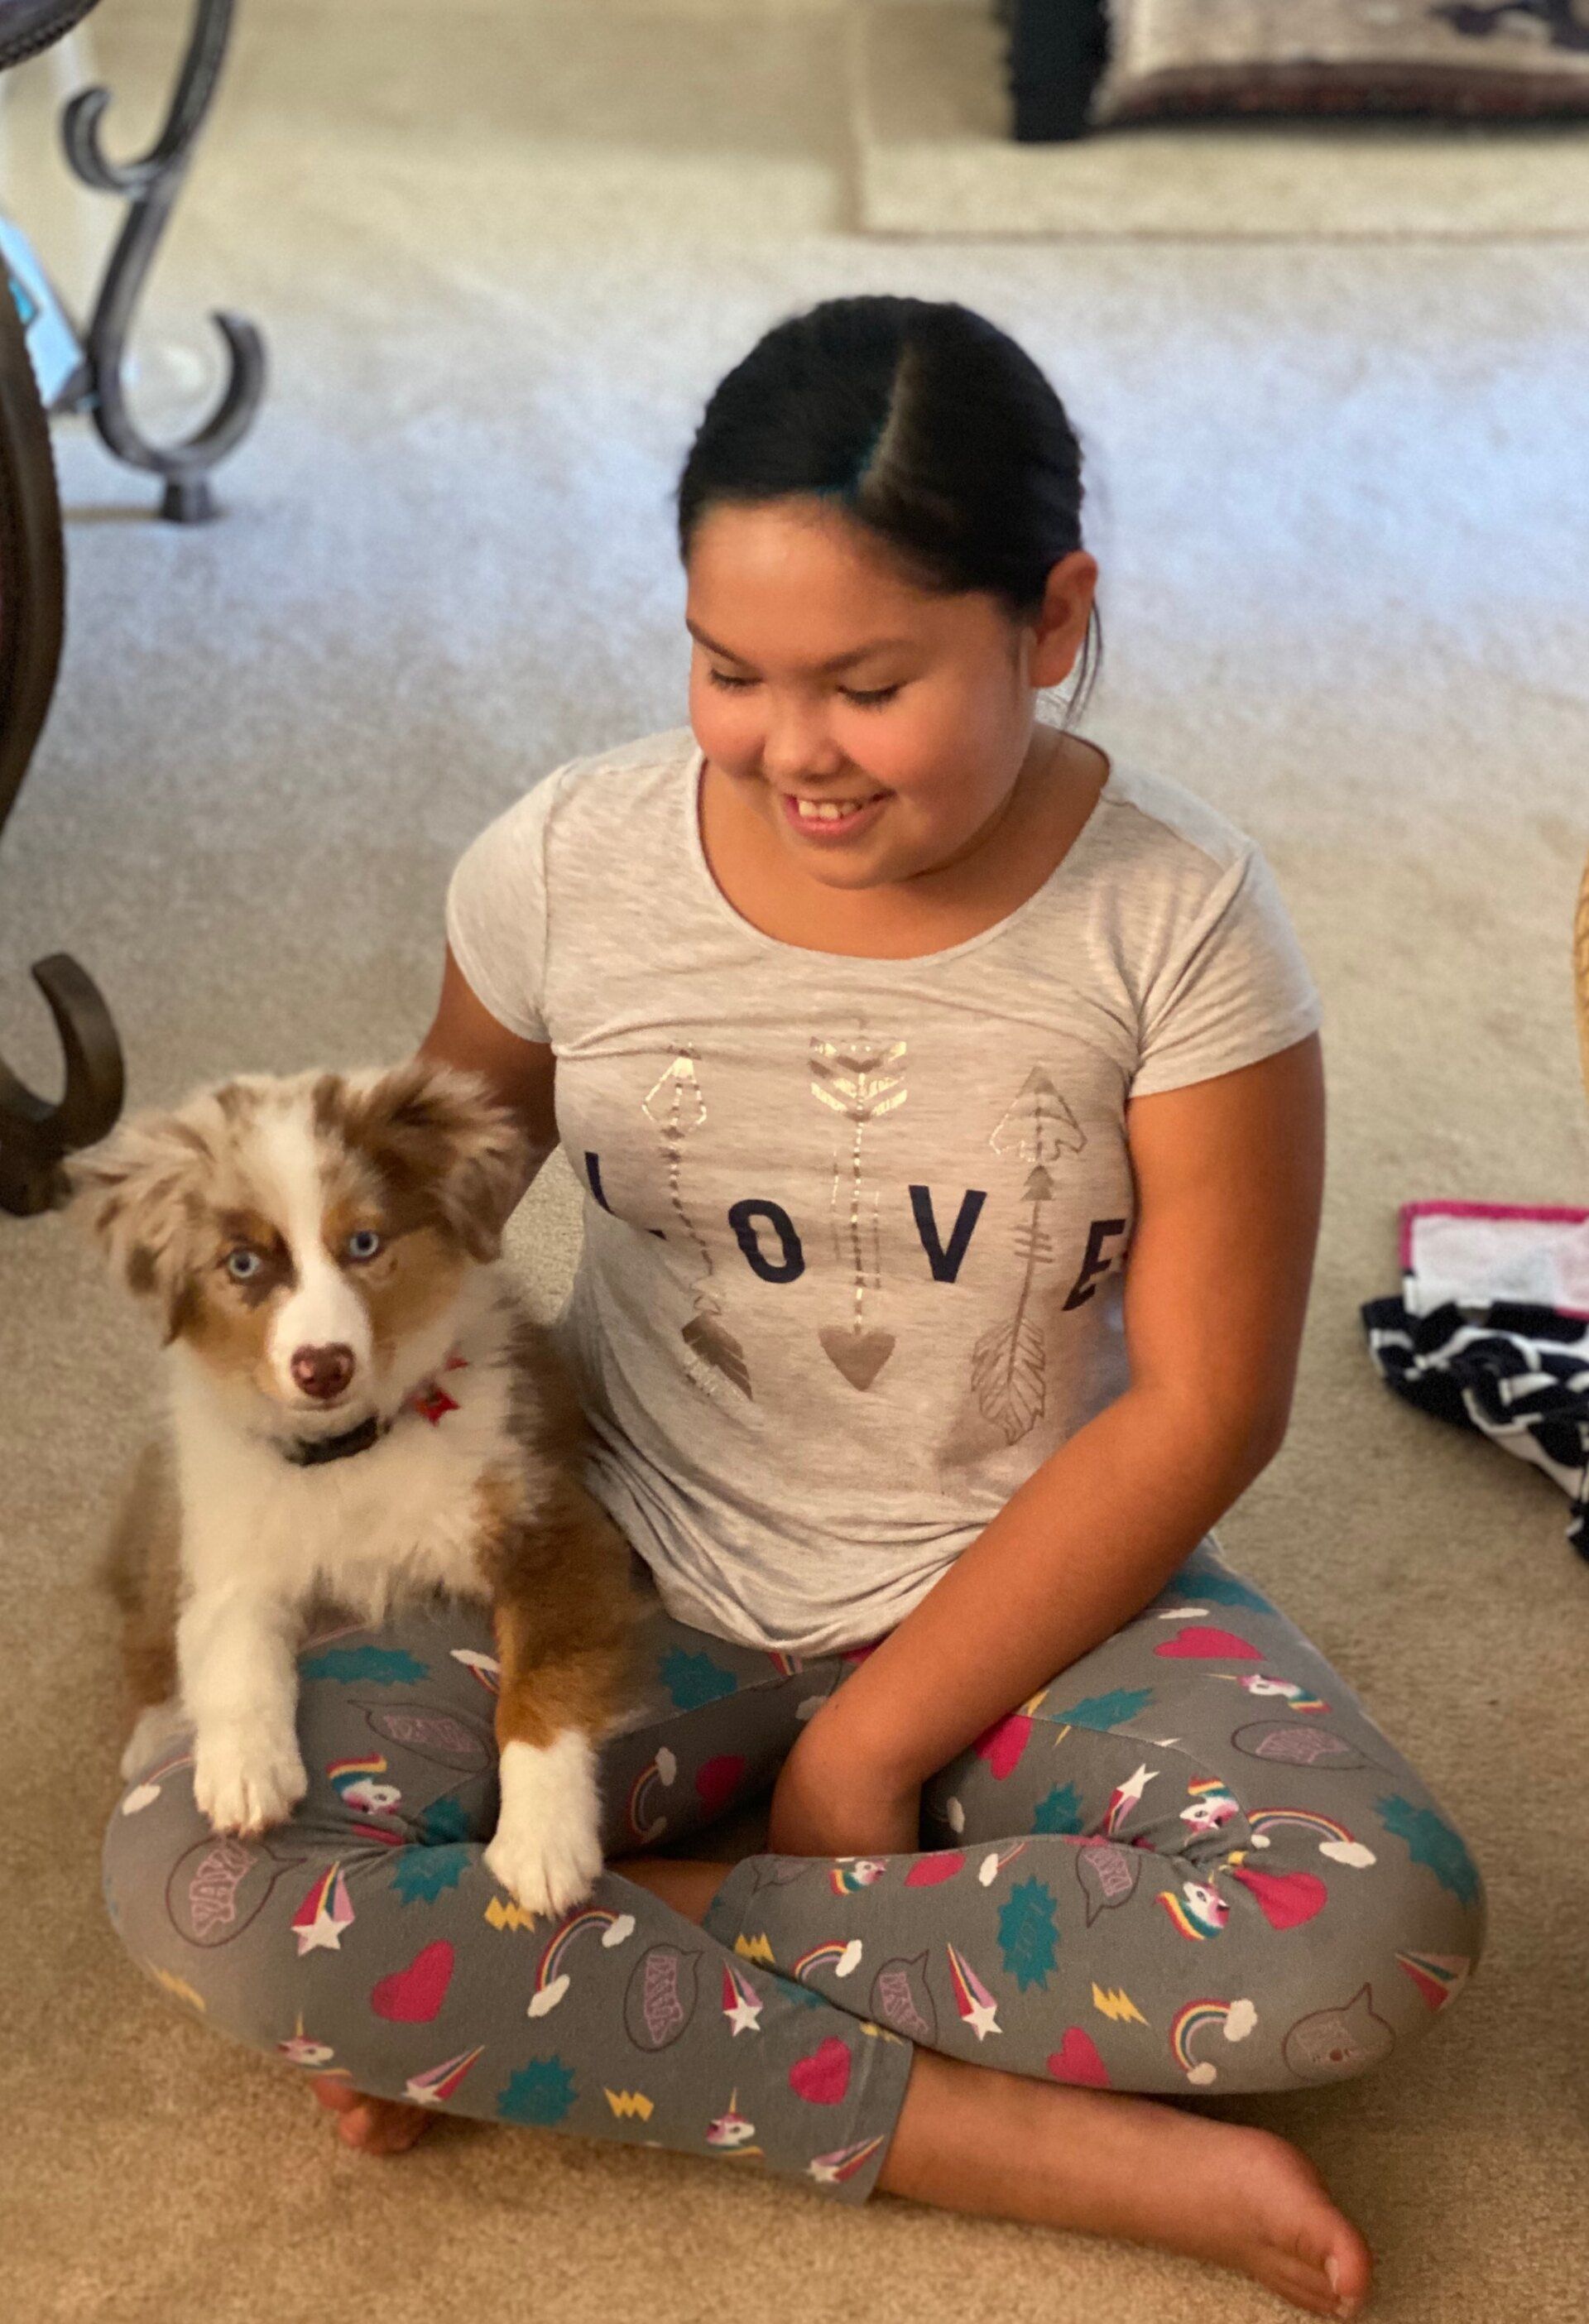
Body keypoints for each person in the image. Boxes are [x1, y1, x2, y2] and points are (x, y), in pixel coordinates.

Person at [102, 297, 1485, 2321]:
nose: (788, 749)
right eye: (728, 670)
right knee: (208, 1883)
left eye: (866, 684)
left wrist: (871, 1755)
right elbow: (414, 1242)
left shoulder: (1180, 920)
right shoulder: (568, 866)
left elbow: (1203, 1409)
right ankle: (1011, 2139)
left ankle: (575, 1969)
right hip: (611, 1566)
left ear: (1050, 617)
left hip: (1031, 1604)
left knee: (1373, 1929)